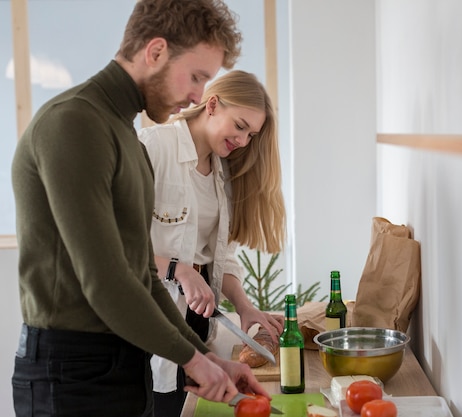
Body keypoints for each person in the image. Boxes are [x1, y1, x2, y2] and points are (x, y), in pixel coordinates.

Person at [10, 1, 271, 416]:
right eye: (197, 77)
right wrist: (194, 359)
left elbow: (144, 276)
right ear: (155, 52)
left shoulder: (126, 136)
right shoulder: (75, 123)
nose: (199, 96)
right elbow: (105, 279)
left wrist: (203, 357)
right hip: (73, 372)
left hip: (129, 362)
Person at [139, 69, 286, 417]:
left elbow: (219, 256)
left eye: (251, 134)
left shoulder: (223, 171)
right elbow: (116, 246)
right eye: (240, 126)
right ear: (213, 104)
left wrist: (245, 306)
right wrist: (178, 270)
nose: (244, 141)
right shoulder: (154, 146)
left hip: (197, 323)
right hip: (150, 322)